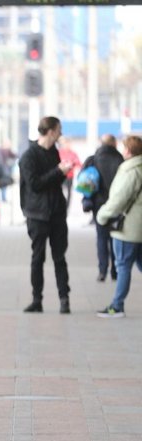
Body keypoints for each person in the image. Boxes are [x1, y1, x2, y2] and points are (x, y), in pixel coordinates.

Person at [18, 116, 72, 314]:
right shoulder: (28, 156)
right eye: (59, 129)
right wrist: (58, 171)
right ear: (50, 131)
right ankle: (36, 299)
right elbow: (35, 185)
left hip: (56, 212)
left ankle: (64, 299)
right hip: (37, 215)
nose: (61, 133)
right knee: (38, 258)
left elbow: (52, 183)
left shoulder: (54, 152)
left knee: (60, 257)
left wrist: (61, 172)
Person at [95, 135, 142, 318]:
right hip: (139, 227)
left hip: (127, 228)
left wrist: (102, 215)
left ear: (129, 151)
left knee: (123, 266)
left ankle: (117, 306)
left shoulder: (131, 171)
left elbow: (118, 199)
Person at [84, 135, 124, 282]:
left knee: (101, 237)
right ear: (114, 144)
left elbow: (84, 182)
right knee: (115, 236)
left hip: (98, 205)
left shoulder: (93, 160)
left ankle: (102, 271)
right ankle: (115, 270)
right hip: (116, 204)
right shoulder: (120, 161)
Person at [58, 137, 81, 209]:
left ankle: (66, 207)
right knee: (60, 192)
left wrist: (73, 164)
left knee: (69, 192)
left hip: (69, 176)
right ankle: (60, 205)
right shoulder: (59, 153)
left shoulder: (73, 154)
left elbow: (79, 164)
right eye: (65, 143)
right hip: (60, 176)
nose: (67, 145)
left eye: (68, 143)